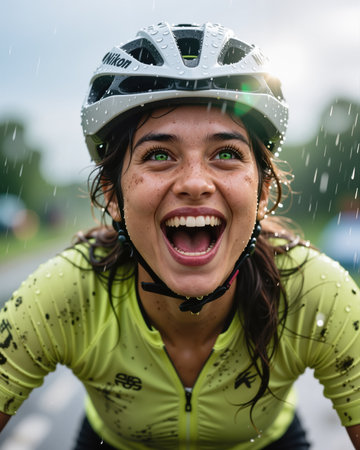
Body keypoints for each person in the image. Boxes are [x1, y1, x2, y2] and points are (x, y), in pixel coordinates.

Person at [0, 22, 359, 450]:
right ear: (113, 195)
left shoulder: (314, 292)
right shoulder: (66, 295)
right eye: (159, 155)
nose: (194, 182)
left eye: (226, 154)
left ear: (262, 192)